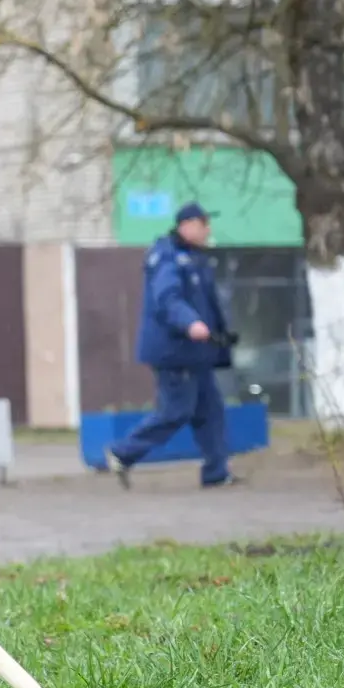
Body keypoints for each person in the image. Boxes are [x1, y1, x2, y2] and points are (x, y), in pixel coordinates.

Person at [106, 202, 240, 489]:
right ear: (186, 225)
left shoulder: (195, 257)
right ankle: (122, 452)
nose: (208, 230)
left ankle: (216, 472)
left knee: (211, 411)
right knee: (175, 411)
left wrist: (218, 334)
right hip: (175, 352)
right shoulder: (167, 258)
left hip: (196, 353)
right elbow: (168, 299)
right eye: (203, 224)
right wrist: (191, 323)